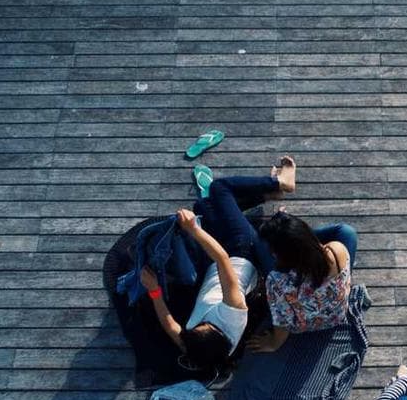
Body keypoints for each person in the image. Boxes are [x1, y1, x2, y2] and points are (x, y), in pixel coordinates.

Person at [139, 157, 297, 373]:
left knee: (203, 206)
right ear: (218, 334)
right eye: (205, 326)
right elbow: (222, 259)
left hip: (213, 263)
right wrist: (193, 229)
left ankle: (268, 195)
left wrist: (154, 291)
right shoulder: (232, 313)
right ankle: (280, 183)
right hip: (242, 251)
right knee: (219, 188)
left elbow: (171, 326)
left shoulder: (194, 345)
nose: (198, 325)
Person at [245, 212, 358, 353]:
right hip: (336, 315)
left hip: (304, 325)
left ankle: (286, 236)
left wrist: (274, 343)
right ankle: (293, 235)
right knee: (347, 232)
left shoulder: (277, 281)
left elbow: (283, 320)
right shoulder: (336, 250)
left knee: (259, 240)